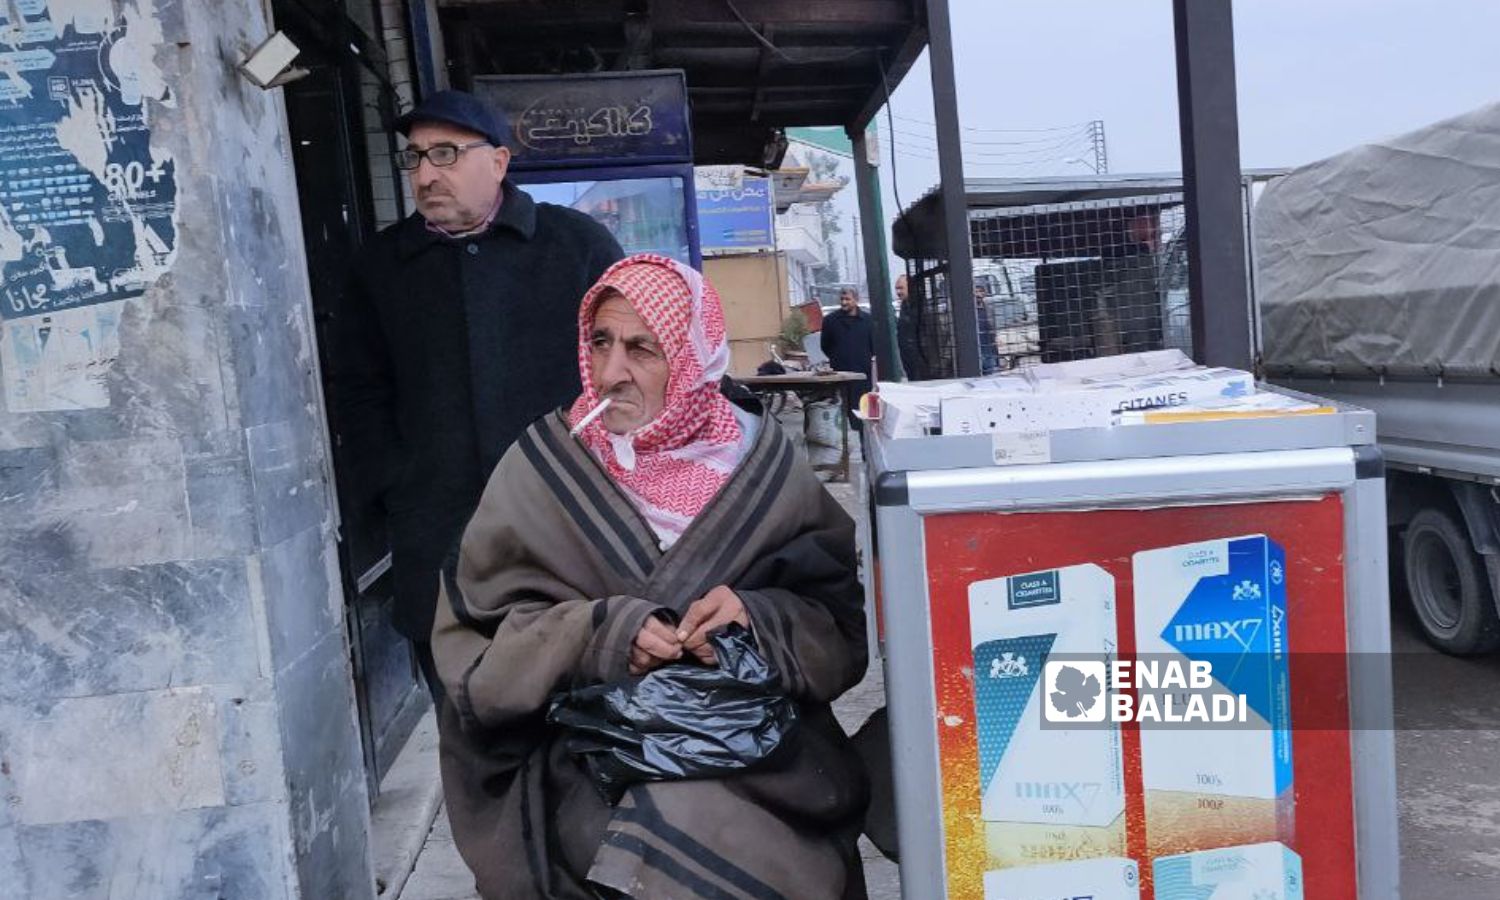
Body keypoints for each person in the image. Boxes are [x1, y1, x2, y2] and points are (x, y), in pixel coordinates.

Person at [431, 254, 871, 900]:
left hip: (756, 753)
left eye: (643, 349)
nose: (611, 373)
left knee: (737, 842)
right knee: (639, 838)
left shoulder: (765, 466)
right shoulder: (543, 467)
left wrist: (757, 618)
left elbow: (837, 624)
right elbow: (477, 641)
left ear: (694, 359)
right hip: (585, 759)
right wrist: (600, 635)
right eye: (601, 343)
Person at [331, 90, 623, 702]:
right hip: (438, 536)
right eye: (414, 159)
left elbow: (629, 370)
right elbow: (359, 389)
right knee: (468, 727)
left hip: (567, 527)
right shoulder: (382, 266)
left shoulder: (577, 246)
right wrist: (396, 480)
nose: (426, 174)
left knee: (586, 724)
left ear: (499, 161)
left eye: (446, 153)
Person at [819, 287, 875, 430]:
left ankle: (864, 448)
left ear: (856, 300)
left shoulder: (868, 321)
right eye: (842, 299)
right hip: (839, 376)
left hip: (862, 377)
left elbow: (874, 346)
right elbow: (825, 345)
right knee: (840, 416)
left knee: (862, 417)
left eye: (847, 299)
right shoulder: (830, 321)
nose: (844, 302)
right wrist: (838, 358)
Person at [894, 274, 925, 381]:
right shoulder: (905, 306)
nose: (898, 292)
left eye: (901, 288)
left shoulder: (921, 306)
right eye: (896, 289)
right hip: (910, 361)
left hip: (922, 364)